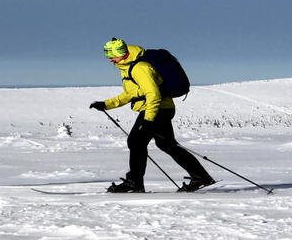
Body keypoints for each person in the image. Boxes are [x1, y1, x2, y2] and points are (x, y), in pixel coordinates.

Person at [89, 38, 214, 193]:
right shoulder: (128, 67)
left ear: (122, 54)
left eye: (112, 54)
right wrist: (106, 104)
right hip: (159, 109)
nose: (109, 59)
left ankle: (134, 183)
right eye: (107, 54)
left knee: (136, 142)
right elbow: (131, 94)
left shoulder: (140, 68)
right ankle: (200, 176)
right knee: (165, 144)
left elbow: (153, 95)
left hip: (156, 110)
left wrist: (148, 119)